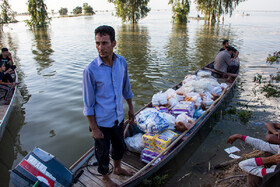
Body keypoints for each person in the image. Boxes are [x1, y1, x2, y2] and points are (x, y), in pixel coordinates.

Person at [83, 25, 135, 187]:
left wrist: (131, 109)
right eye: (97, 43)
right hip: (101, 122)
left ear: (114, 43)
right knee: (102, 153)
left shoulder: (121, 62)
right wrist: (94, 128)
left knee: (120, 146)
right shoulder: (90, 70)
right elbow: (88, 103)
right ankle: (105, 178)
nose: (100, 47)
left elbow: (126, 88)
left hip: (118, 117)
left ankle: (118, 168)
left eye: (105, 43)